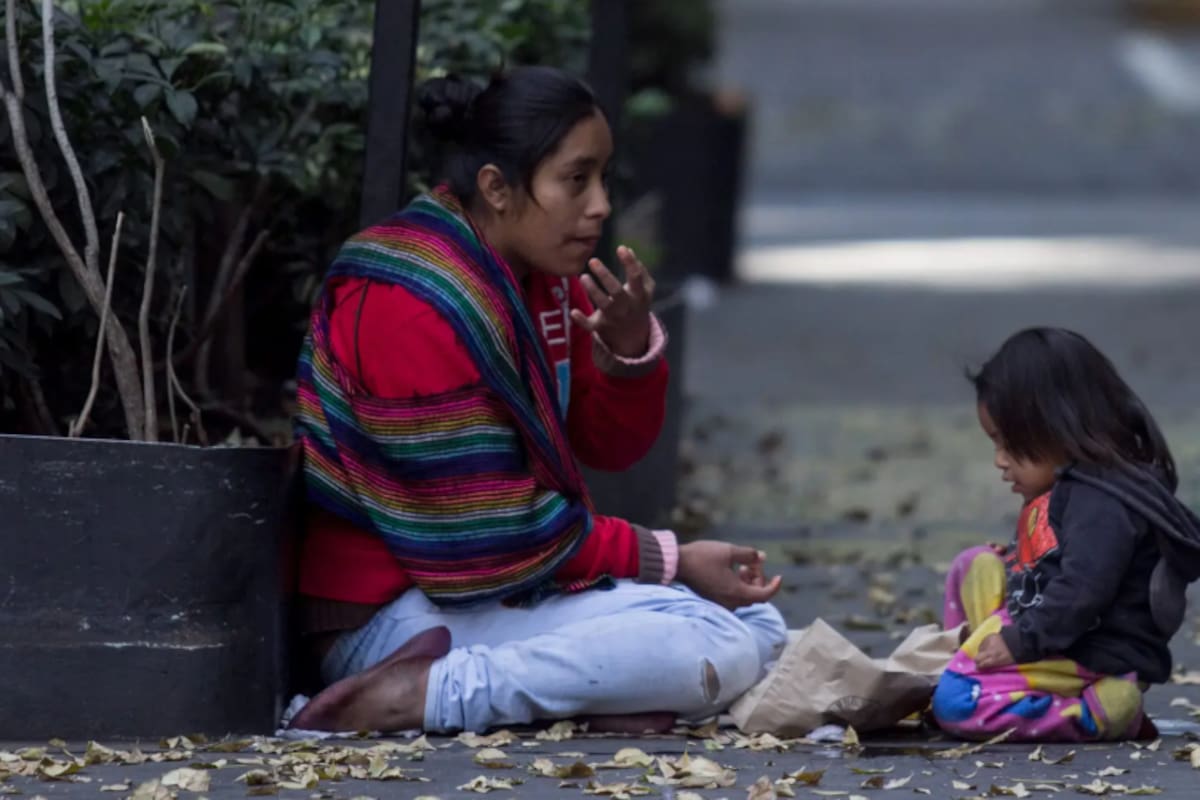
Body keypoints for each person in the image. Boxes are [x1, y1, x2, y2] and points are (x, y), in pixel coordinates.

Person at [286, 66, 787, 734]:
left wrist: (628, 354)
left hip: (492, 589)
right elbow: (483, 538)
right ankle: (417, 698)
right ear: (496, 188)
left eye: (603, 178)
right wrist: (668, 559)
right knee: (716, 640)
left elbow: (611, 446)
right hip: (390, 621)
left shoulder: (537, 278)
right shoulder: (410, 302)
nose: (601, 204)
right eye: (577, 180)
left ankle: (580, 696)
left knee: (757, 623)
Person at [933, 327, 1200, 742]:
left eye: (1008, 443)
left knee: (956, 702)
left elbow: (1082, 591)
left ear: (1057, 425)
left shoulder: (1101, 501)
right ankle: (976, 660)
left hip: (1090, 648)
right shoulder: (1075, 482)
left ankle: (1095, 710)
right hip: (1053, 626)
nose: (1000, 461)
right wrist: (1017, 561)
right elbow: (1059, 558)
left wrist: (1021, 642)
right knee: (974, 565)